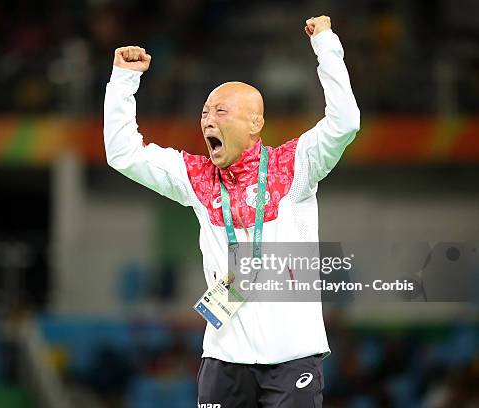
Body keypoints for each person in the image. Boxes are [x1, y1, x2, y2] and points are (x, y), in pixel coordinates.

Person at [104, 15, 360, 408]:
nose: (208, 119)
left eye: (221, 111)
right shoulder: (196, 177)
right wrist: (123, 80)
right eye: (205, 112)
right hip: (223, 359)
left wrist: (326, 45)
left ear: (255, 122)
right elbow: (123, 153)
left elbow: (344, 123)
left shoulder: (293, 167)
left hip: (292, 358)